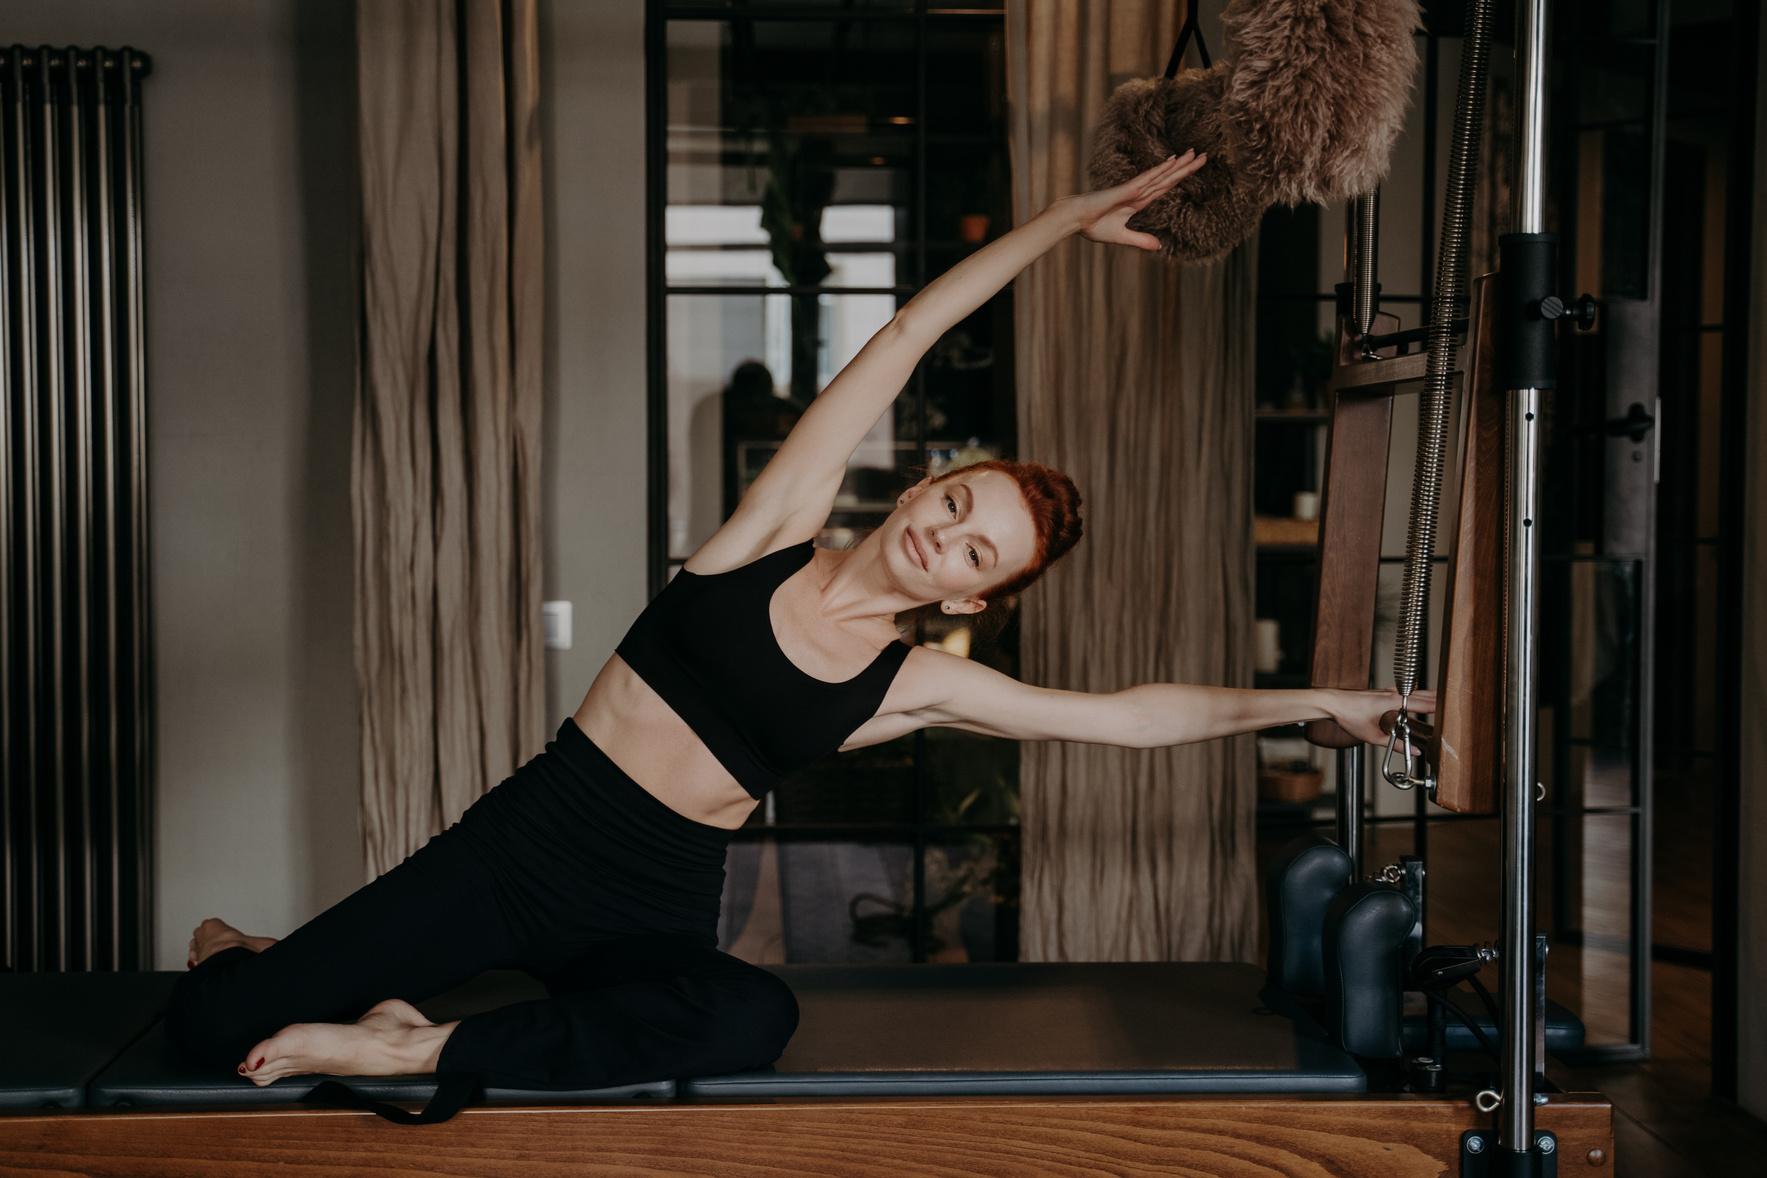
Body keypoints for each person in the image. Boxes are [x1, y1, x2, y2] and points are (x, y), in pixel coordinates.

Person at [169, 152, 1431, 1095]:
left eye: (975, 548)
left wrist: (1320, 701)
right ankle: (249, 951)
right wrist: (1062, 221)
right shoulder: (771, 529)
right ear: (922, 488)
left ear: (968, 598)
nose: (945, 530)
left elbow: (1132, 717)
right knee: (221, 1029)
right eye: (953, 499)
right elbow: (910, 329)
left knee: (747, 1017)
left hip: (648, 911)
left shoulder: (913, 679)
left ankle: (420, 1042)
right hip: (519, 851)